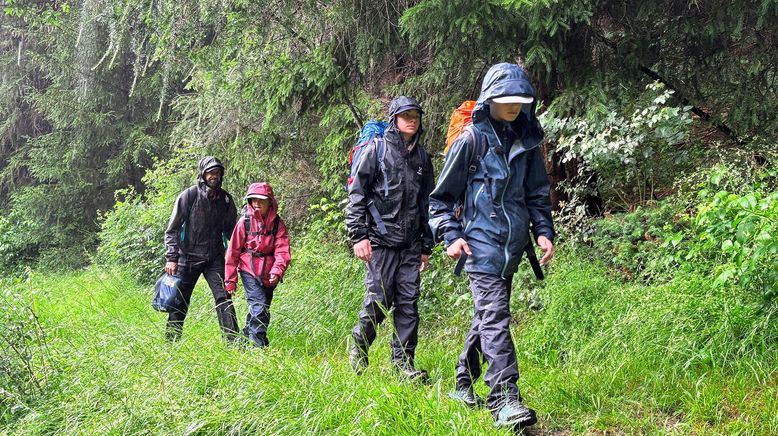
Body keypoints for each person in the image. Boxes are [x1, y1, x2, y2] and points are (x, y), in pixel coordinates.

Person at [428, 63, 555, 428]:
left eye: (519, 99)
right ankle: (503, 398)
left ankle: (462, 383)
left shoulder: (527, 141)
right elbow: (439, 201)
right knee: (497, 317)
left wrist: (543, 231)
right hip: (480, 245)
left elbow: (536, 193)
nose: (513, 105)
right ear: (490, 100)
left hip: (512, 248)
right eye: (505, 99)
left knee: (487, 316)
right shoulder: (471, 140)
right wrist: (451, 237)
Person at [346, 96, 435, 380]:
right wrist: (359, 235)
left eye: (416, 115)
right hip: (381, 241)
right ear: (394, 119)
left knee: (409, 303)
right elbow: (357, 194)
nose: (412, 119)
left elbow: (427, 204)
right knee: (379, 300)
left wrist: (425, 246)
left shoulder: (423, 159)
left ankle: (403, 365)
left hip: (410, 245)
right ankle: (359, 347)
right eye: (406, 115)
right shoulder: (377, 150)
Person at [163, 156, 239, 341]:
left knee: (224, 298)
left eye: (217, 172)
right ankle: (171, 342)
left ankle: (234, 343)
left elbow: (233, 233)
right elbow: (172, 230)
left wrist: (239, 257)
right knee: (180, 301)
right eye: (211, 172)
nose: (214, 176)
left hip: (214, 258)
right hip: (187, 257)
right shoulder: (188, 196)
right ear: (203, 174)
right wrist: (171, 257)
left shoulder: (226, 200)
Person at [224, 182, 291, 347]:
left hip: (270, 274)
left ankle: (244, 340)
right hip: (249, 271)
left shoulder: (278, 224)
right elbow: (232, 252)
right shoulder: (244, 222)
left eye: (261, 200)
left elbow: (282, 251)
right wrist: (230, 280)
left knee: (262, 310)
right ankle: (258, 347)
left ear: (270, 202)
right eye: (253, 199)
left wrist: (277, 271)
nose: (256, 203)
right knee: (259, 307)